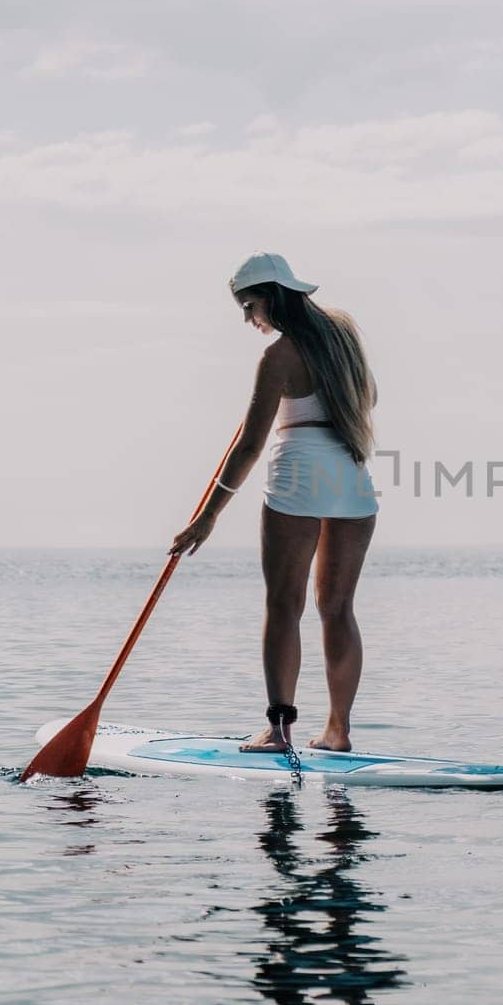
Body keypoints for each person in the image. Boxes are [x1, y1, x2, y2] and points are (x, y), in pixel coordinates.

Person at [169, 252, 380, 754]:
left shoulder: (280, 356)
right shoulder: (344, 338)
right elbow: (368, 400)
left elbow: (248, 447)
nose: (248, 319)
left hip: (299, 476)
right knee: (338, 608)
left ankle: (279, 731)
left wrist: (206, 519)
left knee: (284, 605)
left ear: (270, 298)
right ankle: (338, 731)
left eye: (249, 306)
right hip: (351, 476)